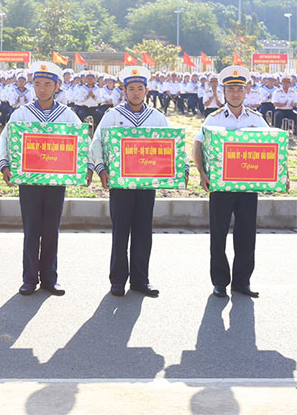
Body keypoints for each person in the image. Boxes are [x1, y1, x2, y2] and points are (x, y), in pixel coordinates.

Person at [88, 66, 185, 298]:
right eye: (131, 88)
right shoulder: (113, 115)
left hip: (146, 184)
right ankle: (117, 280)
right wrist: (100, 169)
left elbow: (170, 145)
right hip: (120, 184)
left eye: (139, 88)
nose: (135, 92)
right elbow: (97, 142)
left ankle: (141, 280)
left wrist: (181, 168)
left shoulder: (157, 117)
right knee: (120, 232)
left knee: (143, 232)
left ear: (146, 90)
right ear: (124, 91)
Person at [192, 65, 285, 299]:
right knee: (218, 235)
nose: (235, 94)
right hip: (220, 188)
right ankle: (220, 282)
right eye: (231, 89)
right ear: (223, 92)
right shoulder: (213, 119)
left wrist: (280, 176)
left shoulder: (256, 119)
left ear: (246, 91)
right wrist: (202, 173)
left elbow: (271, 147)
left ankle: (242, 282)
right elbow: (197, 145)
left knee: (246, 235)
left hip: (248, 187)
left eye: (240, 89)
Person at [0, 61, 82, 296]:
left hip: (56, 181)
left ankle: (50, 279)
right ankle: (29, 278)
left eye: (47, 84)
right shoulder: (22, 113)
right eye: (37, 84)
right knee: (31, 229)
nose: (42, 89)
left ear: (57, 86)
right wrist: (5, 164)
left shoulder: (67, 115)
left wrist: (84, 167)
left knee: (51, 230)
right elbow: (6, 139)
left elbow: (80, 142)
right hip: (29, 181)